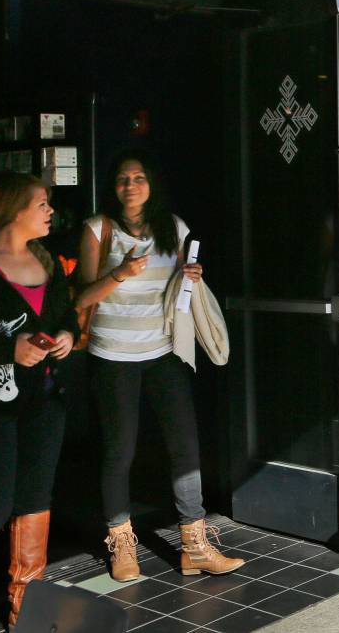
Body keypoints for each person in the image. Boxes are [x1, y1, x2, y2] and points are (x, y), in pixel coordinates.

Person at [76, 151, 243, 582]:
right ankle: (121, 544)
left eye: (139, 178)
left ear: (151, 184)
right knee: (120, 450)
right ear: (112, 187)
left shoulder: (174, 227)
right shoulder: (98, 229)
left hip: (164, 351)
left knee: (185, 446)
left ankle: (195, 546)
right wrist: (120, 274)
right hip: (113, 355)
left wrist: (193, 276)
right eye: (122, 179)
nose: (130, 186)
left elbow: (179, 286)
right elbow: (81, 298)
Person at [0, 174, 78, 626]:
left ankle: (25, 607)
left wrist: (67, 335)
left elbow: (67, 316)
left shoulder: (46, 258)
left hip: (45, 399)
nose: (50, 211)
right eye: (42, 203)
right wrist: (9, 349)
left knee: (35, 502)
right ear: (13, 209)